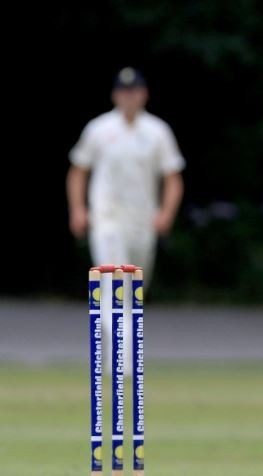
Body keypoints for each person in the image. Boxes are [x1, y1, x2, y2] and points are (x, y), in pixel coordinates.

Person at [67, 66, 186, 373]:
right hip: (106, 218)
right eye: (123, 92)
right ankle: (126, 360)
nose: (129, 97)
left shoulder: (157, 131)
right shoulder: (99, 129)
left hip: (142, 222)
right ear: (115, 95)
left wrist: (166, 213)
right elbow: (78, 170)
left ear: (143, 94)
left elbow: (173, 177)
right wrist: (78, 209)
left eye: (134, 92)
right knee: (113, 283)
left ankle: (115, 358)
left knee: (134, 290)